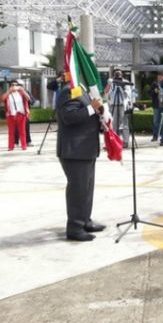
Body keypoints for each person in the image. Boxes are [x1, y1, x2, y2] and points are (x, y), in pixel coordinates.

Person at [56, 83, 106, 242]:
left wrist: (99, 113)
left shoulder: (83, 90)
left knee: (87, 189)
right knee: (78, 190)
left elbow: (87, 115)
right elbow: (68, 117)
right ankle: (75, 227)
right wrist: (91, 108)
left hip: (86, 148)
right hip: (75, 150)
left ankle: (85, 221)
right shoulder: (70, 89)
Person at [0, 79, 30, 151]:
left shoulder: (21, 93)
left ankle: (24, 146)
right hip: (11, 114)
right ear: (10, 86)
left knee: (22, 131)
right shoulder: (8, 94)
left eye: (16, 85)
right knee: (11, 132)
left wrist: (22, 90)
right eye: (12, 85)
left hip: (21, 114)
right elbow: (2, 99)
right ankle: (11, 146)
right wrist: (8, 91)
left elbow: (28, 98)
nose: (14, 86)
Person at [149, 72, 163, 142]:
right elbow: (149, 93)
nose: (160, 78)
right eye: (159, 76)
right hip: (157, 105)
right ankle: (155, 136)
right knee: (156, 121)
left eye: (161, 76)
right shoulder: (154, 84)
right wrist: (154, 91)